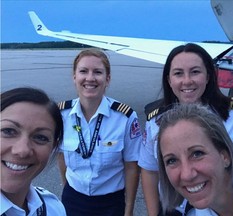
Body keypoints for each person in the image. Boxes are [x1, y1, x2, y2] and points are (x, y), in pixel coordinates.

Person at [138, 43, 233, 216]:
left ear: (208, 76)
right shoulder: (156, 121)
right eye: (178, 73)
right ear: (169, 80)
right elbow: (149, 170)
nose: (187, 80)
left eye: (195, 72)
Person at [57, 49, 142, 216]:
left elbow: (131, 166)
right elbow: (61, 156)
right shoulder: (61, 115)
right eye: (83, 71)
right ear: (74, 77)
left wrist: (129, 209)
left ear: (107, 79)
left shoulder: (124, 117)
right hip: (73, 199)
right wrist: (66, 187)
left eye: (97, 72)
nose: (90, 78)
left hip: (111, 203)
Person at [1, 87, 66, 216]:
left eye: (40, 137)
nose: (22, 150)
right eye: (8, 131)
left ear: (53, 147)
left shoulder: (53, 209)